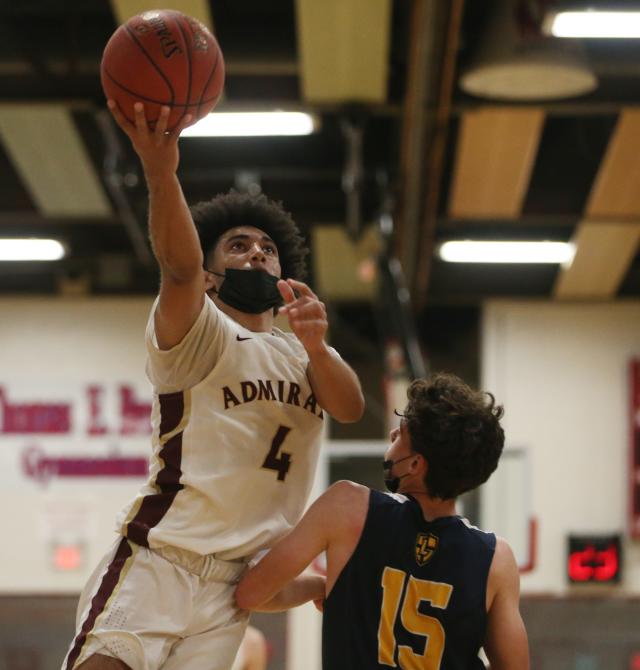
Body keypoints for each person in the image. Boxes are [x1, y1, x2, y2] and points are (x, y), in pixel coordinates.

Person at [62, 103, 364, 670]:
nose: (256, 251)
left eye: (267, 249)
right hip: (158, 563)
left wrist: (320, 348)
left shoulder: (306, 352)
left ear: (284, 271)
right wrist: (160, 170)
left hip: (234, 588)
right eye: (238, 245)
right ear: (210, 274)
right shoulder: (201, 331)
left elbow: (350, 408)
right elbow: (176, 269)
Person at [236, 373, 530, 669]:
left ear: (415, 464)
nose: (392, 434)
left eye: (401, 432)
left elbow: (251, 594)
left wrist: (318, 586)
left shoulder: (346, 506)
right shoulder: (496, 560)